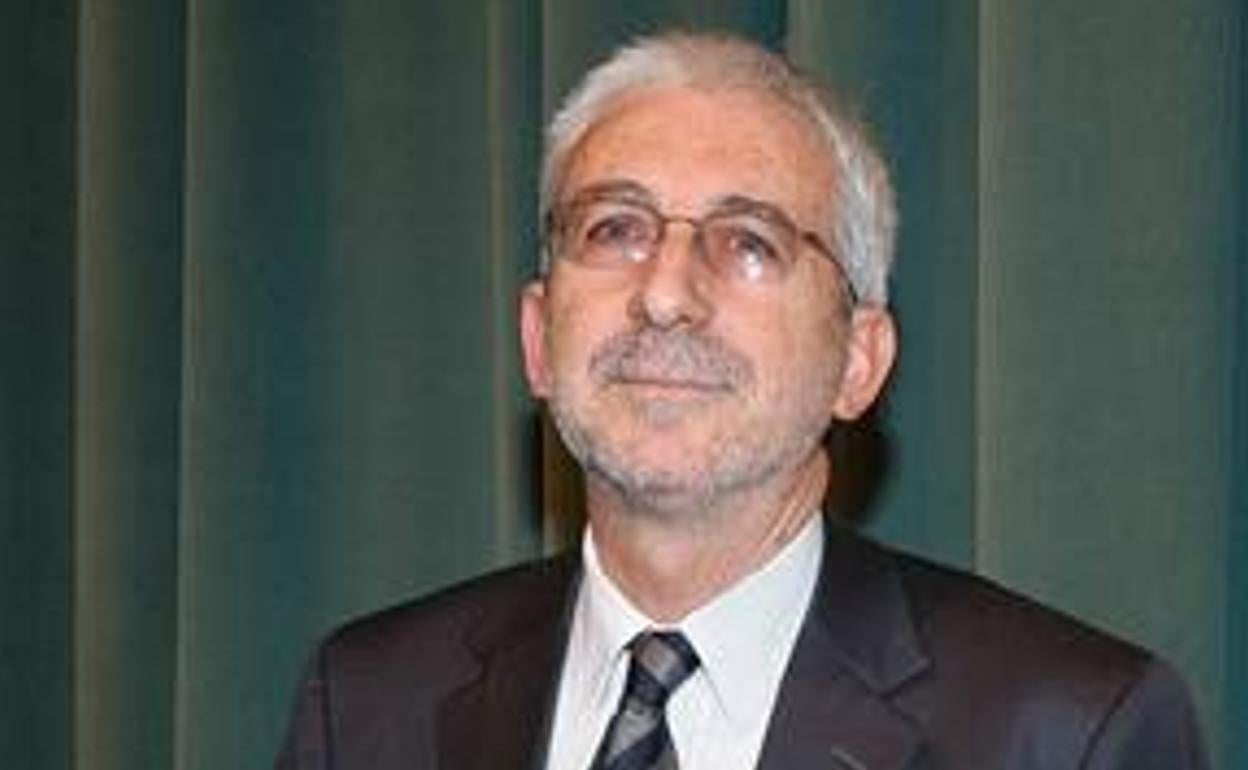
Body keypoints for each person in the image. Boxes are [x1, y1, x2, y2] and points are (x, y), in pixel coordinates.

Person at [276, 32, 1208, 770]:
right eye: (615, 229)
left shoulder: (1068, 732)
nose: (665, 293)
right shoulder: (364, 706)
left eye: (749, 241)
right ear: (536, 337)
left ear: (859, 361)